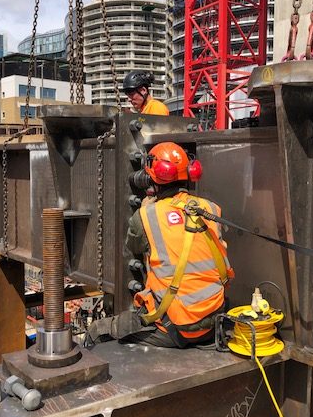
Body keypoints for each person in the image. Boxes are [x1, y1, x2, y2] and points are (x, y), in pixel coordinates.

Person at [87, 142, 234, 348]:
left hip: (175, 327)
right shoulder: (211, 208)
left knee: (98, 332)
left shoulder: (147, 216)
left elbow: (135, 247)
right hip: (215, 322)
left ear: (153, 178)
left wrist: (148, 209)